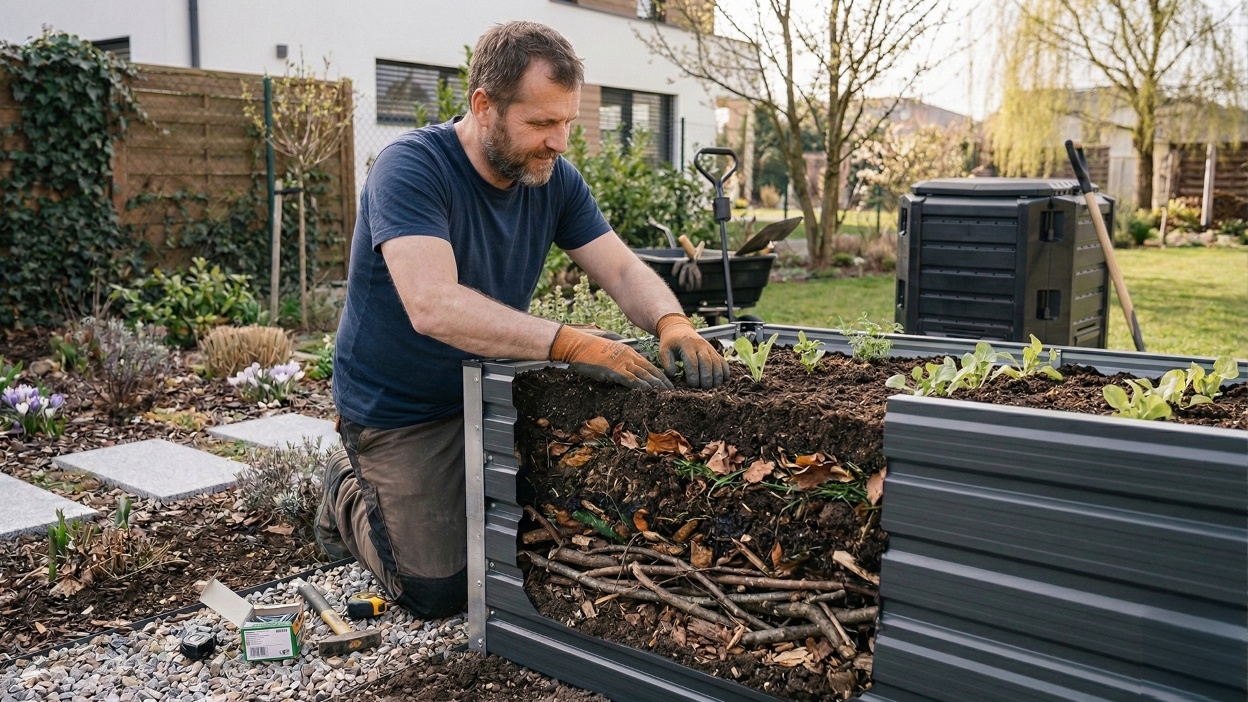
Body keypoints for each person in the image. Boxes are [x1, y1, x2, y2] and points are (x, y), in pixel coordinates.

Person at [315, 20, 730, 618]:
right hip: (405, 412)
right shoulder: (410, 168)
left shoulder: (553, 179)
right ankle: (345, 489)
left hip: (494, 380)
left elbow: (619, 270)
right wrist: (571, 344)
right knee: (439, 590)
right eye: (541, 123)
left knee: (552, 520)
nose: (559, 141)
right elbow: (432, 305)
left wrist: (672, 322)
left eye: (567, 122)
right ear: (484, 106)